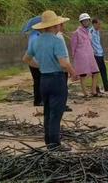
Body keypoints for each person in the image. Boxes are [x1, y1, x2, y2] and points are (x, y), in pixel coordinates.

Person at [22, 10, 77, 151]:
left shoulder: (36, 40)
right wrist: (73, 73)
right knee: (56, 113)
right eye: (59, 24)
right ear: (54, 26)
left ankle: (48, 141)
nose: (60, 26)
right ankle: (55, 144)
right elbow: (63, 63)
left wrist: (40, 65)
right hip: (57, 79)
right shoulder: (56, 41)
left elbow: (26, 59)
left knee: (47, 111)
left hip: (44, 80)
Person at [71, 13, 100, 97]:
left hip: (90, 55)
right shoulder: (77, 33)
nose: (86, 22)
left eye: (87, 20)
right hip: (81, 56)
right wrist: (74, 57)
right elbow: (73, 46)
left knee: (95, 72)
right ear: (81, 22)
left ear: (89, 21)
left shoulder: (89, 32)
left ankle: (93, 91)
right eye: (84, 21)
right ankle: (85, 93)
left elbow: (90, 43)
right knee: (83, 75)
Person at [90, 18, 108, 92]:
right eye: (98, 24)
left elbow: (98, 43)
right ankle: (96, 88)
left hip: (100, 53)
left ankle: (106, 86)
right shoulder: (91, 32)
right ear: (94, 24)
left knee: (103, 70)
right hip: (95, 55)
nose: (100, 26)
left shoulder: (97, 32)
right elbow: (90, 43)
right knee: (96, 72)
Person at [57, 23, 73, 112]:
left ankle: (63, 104)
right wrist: (69, 68)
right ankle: (62, 105)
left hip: (64, 65)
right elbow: (62, 55)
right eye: (63, 25)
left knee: (63, 86)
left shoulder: (60, 36)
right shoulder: (58, 37)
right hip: (62, 66)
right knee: (63, 87)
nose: (64, 27)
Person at [26, 28, 42, 106]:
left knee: (38, 81)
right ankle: (38, 101)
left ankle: (38, 100)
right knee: (38, 81)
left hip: (34, 61)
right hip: (35, 62)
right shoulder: (36, 36)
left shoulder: (33, 35)